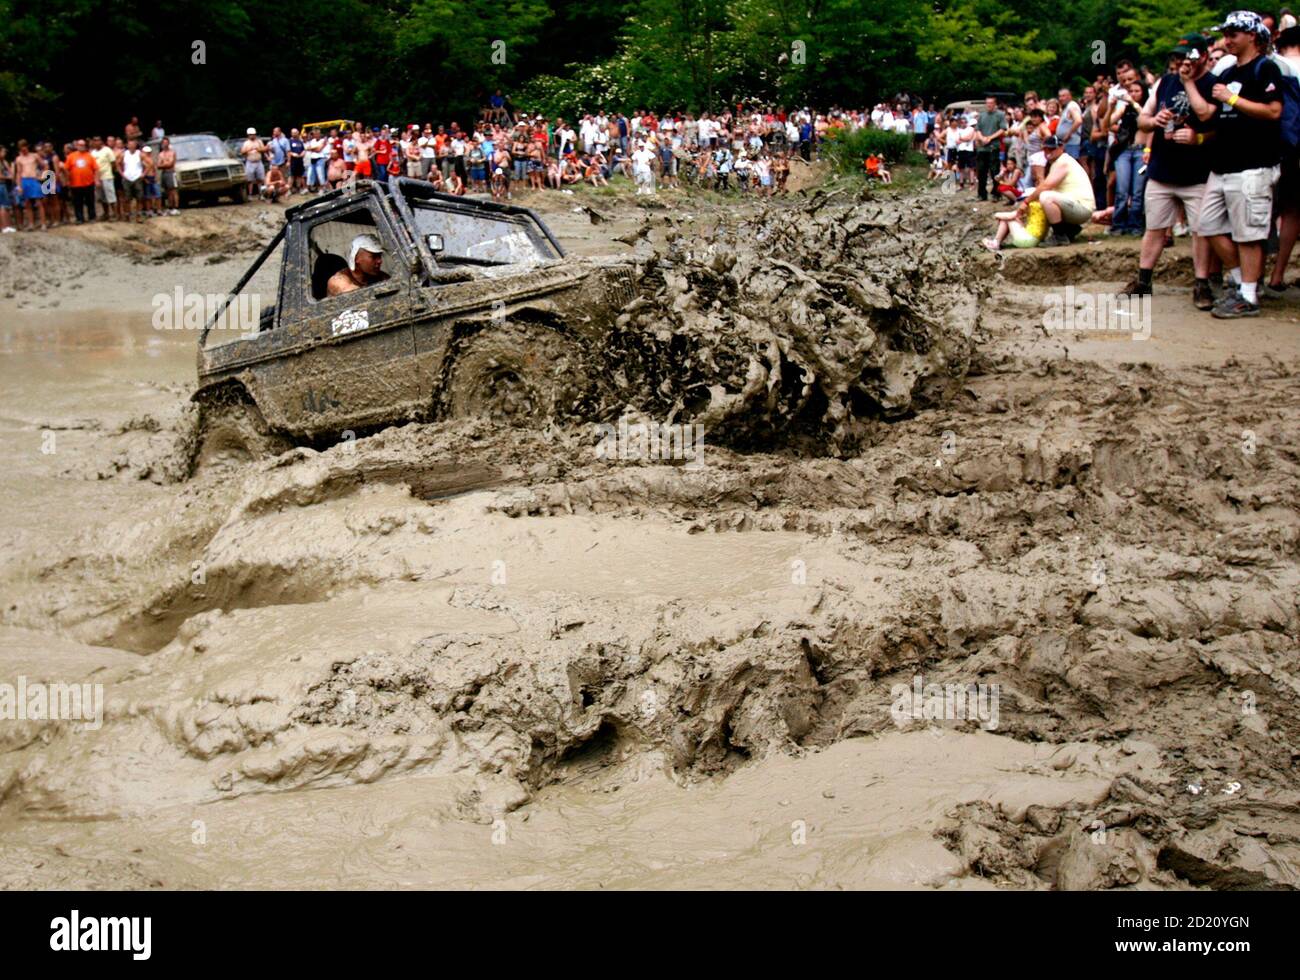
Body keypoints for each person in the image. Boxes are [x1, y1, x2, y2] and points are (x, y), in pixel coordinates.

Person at [1183, 10, 1284, 317]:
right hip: (1222, 165)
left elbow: (1274, 111)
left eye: (1233, 34)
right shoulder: (1227, 73)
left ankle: (1248, 296)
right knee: (1206, 226)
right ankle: (1243, 283)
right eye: (1225, 34)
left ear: (1251, 36)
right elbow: (1215, 118)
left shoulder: (1265, 68)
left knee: (1248, 234)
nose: (1226, 40)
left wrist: (1232, 99)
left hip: (1253, 165)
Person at [1124, 33, 1217, 308]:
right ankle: (1143, 280)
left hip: (1196, 173)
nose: (1179, 62)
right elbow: (1142, 120)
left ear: (1200, 57)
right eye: (1176, 57)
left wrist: (1196, 136)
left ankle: (1201, 284)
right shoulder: (1165, 82)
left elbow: (1206, 115)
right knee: (1154, 229)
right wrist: (1154, 121)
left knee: (1200, 231)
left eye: (1185, 57)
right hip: (1162, 170)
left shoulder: (1212, 84)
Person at [1019, 135, 1095, 246]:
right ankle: (1069, 229)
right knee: (1041, 197)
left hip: (1081, 206)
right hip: (1075, 205)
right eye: (1045, 149)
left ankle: (1060, 236)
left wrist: (1026, 202)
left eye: (1052, 148)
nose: (1048, 152)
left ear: (1061, 147)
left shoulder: (1063, 161)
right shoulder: (1057, 163)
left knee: (1046, 197)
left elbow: (1046, 186)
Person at [974, 95, 1007, 200]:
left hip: (993, 146)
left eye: (991, 103)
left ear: (995, 104)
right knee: (981, 171)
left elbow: (1002, 129)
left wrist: (990, 138)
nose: (989, 105)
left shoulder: (1000, 115)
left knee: (994, 171)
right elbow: (977, 129)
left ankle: (997, 193)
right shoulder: (981, 115)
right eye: (987, 103)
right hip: (982, 147)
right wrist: (982, 138)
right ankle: (981, 194)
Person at [63, 138, 97, 223]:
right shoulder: (71, 156)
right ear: (77, 146)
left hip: (89, 183)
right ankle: (79, 218)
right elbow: (66, 169)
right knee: (78, 202)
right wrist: (67, 180)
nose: (82, 146)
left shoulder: (90, 156)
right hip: (75, 184)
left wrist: (96, 180)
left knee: (90, 201)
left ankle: (92, 217)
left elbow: (95, 168)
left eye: (83, 145)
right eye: (80, 145)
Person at [241, 128, 267, 197]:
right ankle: (250, 194)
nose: (252, 136)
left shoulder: (259, 141)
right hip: (250, 162)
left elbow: (264, 149)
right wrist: (248, 150)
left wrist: (258, 149)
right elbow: (242, 152)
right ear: (248, 135)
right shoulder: (246, 143)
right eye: (250, 135)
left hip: (258, 162)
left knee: (261, 179)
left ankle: (261, 194)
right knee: (250, 180)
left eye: (253, 134)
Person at [157, 137, 179, 214]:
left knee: (173, 190)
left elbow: (171, 163)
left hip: (171, 172)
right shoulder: (161, 154)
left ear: (168, 143)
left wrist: (164, 163)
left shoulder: (172, 152)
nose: (165, 144)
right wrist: (165, 163)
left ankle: (176, 207)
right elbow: (158, 165)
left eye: (166, 142)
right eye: (163, 143)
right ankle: (170, 207)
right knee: (167, 191)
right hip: (164, 173)